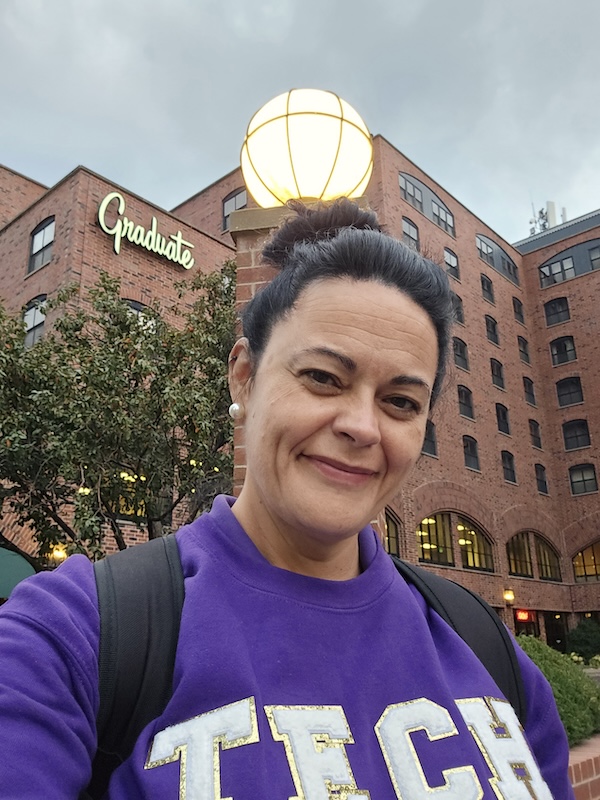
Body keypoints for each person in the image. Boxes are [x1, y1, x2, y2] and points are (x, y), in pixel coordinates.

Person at [0, 199, 573, 798]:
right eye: (324, 378)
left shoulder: (485, 646)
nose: (362, 426)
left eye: (401, 401)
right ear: (244, 377)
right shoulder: (73, 633)